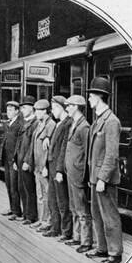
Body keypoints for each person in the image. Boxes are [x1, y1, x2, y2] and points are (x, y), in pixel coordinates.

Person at [85, 77, 124, 263]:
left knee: (109, 216)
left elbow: (112, 154)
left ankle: (115, 253)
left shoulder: (111, 122)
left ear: (100, 96)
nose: (89, 99)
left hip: (103, 179)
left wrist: (102, 178)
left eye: (91, 95)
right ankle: (102, 248)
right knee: (97, 214)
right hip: (95, 177)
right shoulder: (98, 120)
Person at [63, 95, 93, 253]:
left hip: (78, 173)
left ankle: (86, 241)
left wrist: (85, 175)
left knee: (81, 208)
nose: (66, 108)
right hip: (71, 171)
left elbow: (88, 154)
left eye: (69, 106)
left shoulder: (84, 127)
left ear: (76, 107)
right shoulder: (74, 124)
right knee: (74, 206)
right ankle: (76, 237)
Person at [44, 95, 72, 239]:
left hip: (58, 168)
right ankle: (56, 228)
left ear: (62, 108)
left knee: (62, 201)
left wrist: (60, 170)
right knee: (52, 199)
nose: (52, 111)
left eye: (54, 108)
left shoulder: (67, 124)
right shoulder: (58, 124)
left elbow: (63, 149)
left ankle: (66, 231)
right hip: (52, 166)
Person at [26, 99, 56, 231]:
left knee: (47, 195)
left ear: (45, 111)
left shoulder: (50, 125)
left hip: (43, 167)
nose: (36, 113)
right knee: (40, 194)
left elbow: (49, 149)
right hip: (37, 166)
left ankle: (48, 221)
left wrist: (45, 167)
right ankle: (41, 219)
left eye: (38, 110)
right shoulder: (39, 124)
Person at [13, 96, 39, 225]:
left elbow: (32, 146)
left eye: (24, 107)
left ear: (31, 108)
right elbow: (19, 143)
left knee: (29, 189)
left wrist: (28, 161)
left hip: (26, 162)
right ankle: (25, 214)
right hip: (20, 160)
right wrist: (15, 159)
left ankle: (31, 215)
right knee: (21, 187)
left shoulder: (35, 123)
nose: (22, 110)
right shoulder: (25, 122)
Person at [0, 100, 23, 220]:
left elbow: (18, 144)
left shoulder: (19, 124)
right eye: (7, 109)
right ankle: (12, 207)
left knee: (14, 186)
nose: (8, 112)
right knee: (8, 185)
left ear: (17, 111)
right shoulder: (8, 123)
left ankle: (17, 211)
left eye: (10, 110)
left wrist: (15, 160)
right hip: (7, 159)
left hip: (13, 160)